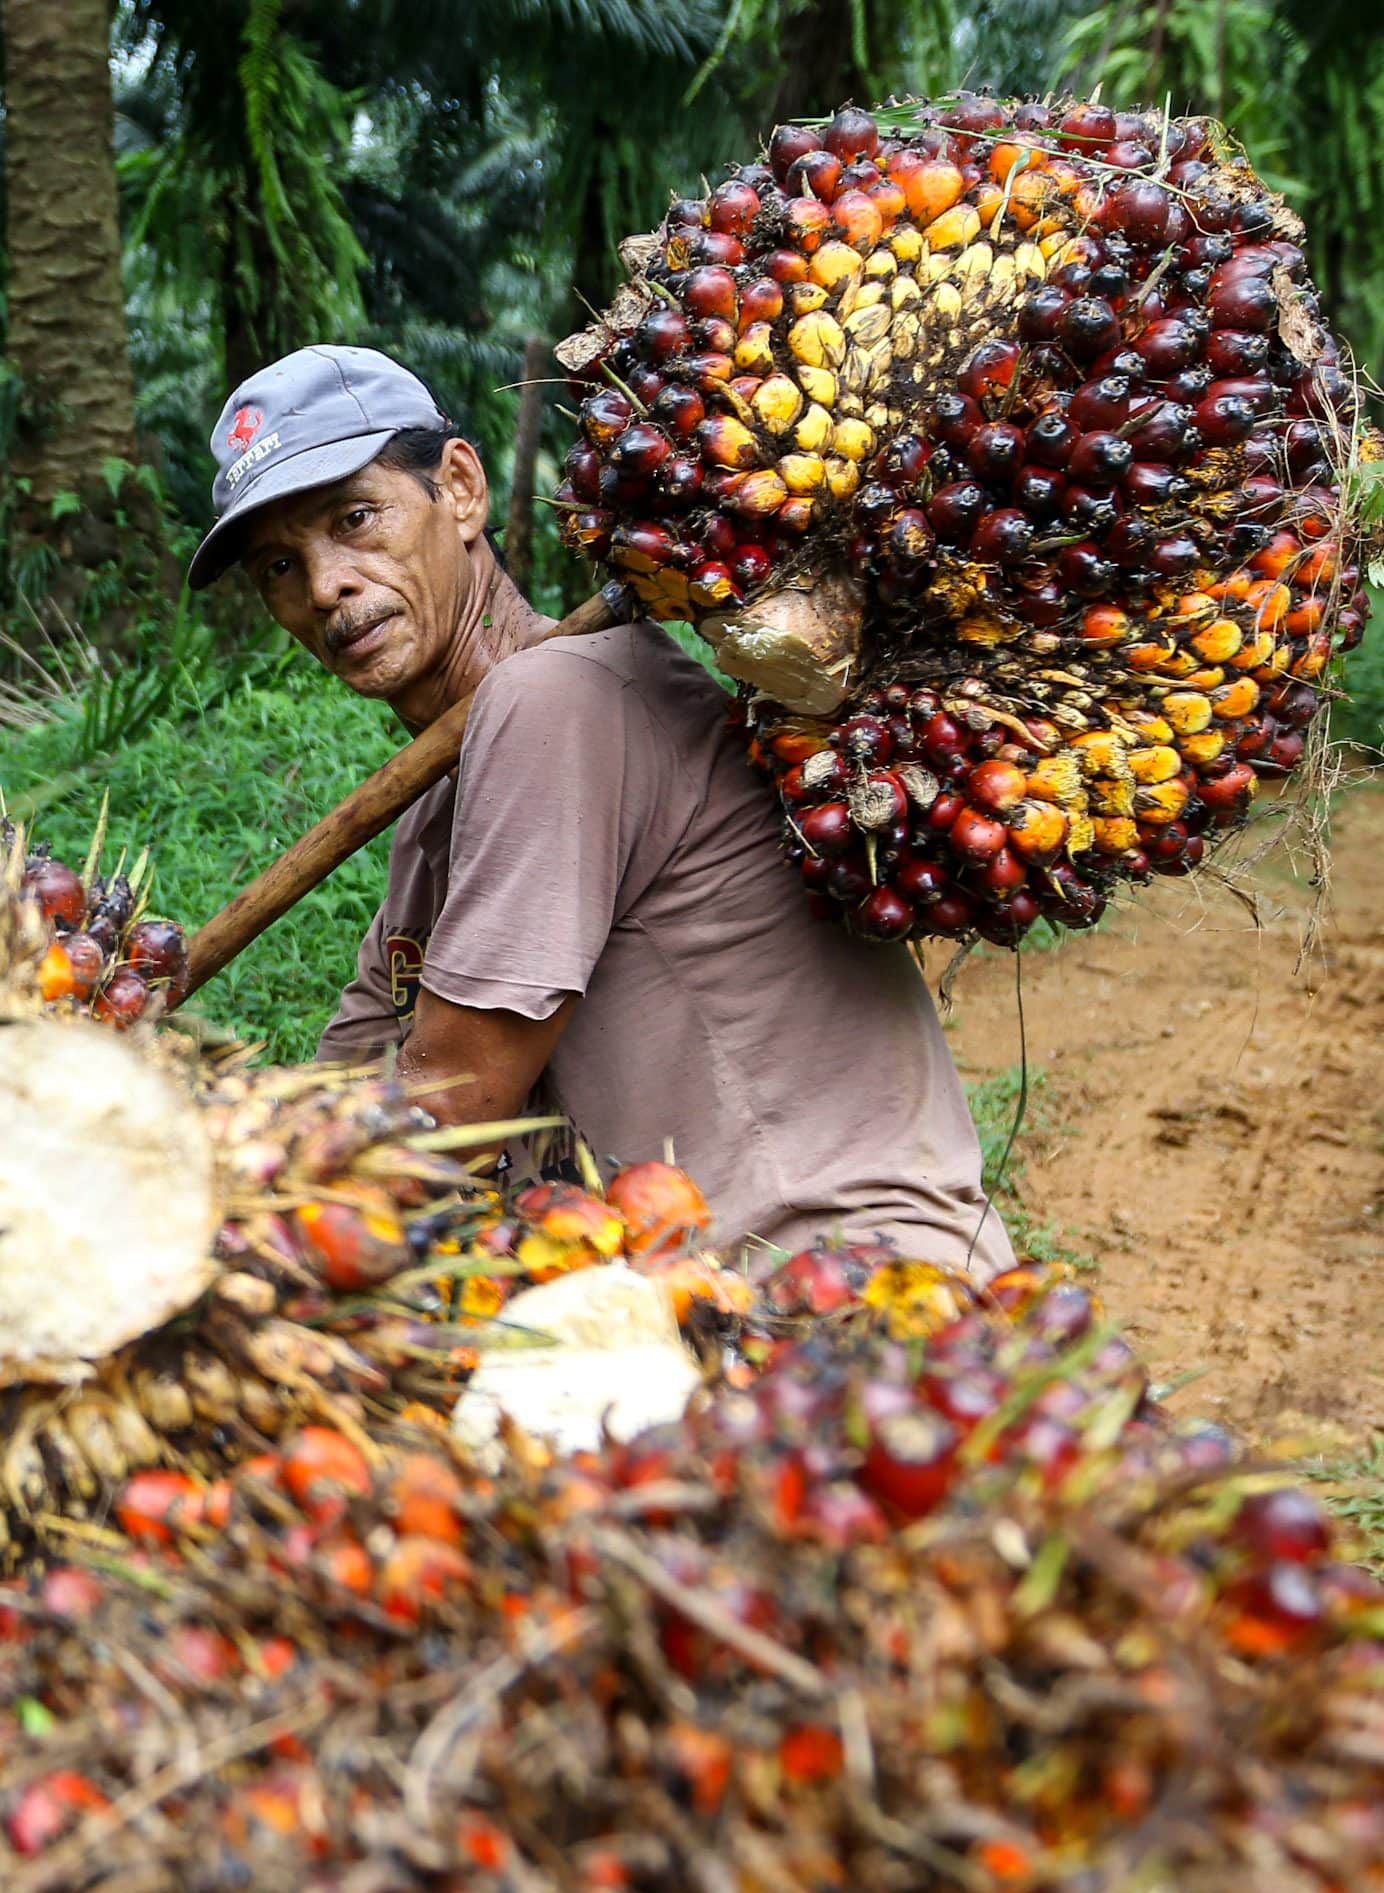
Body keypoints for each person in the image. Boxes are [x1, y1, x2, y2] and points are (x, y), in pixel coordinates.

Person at [187, 344, 1005, 1273]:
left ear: (459, 488)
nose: (326, 585)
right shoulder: (432, 820)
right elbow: (333, 1099)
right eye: (280, 567)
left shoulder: (558, 701)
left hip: (854, 1300)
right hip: (694, 1318)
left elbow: (442, 1110)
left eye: (357, 518)